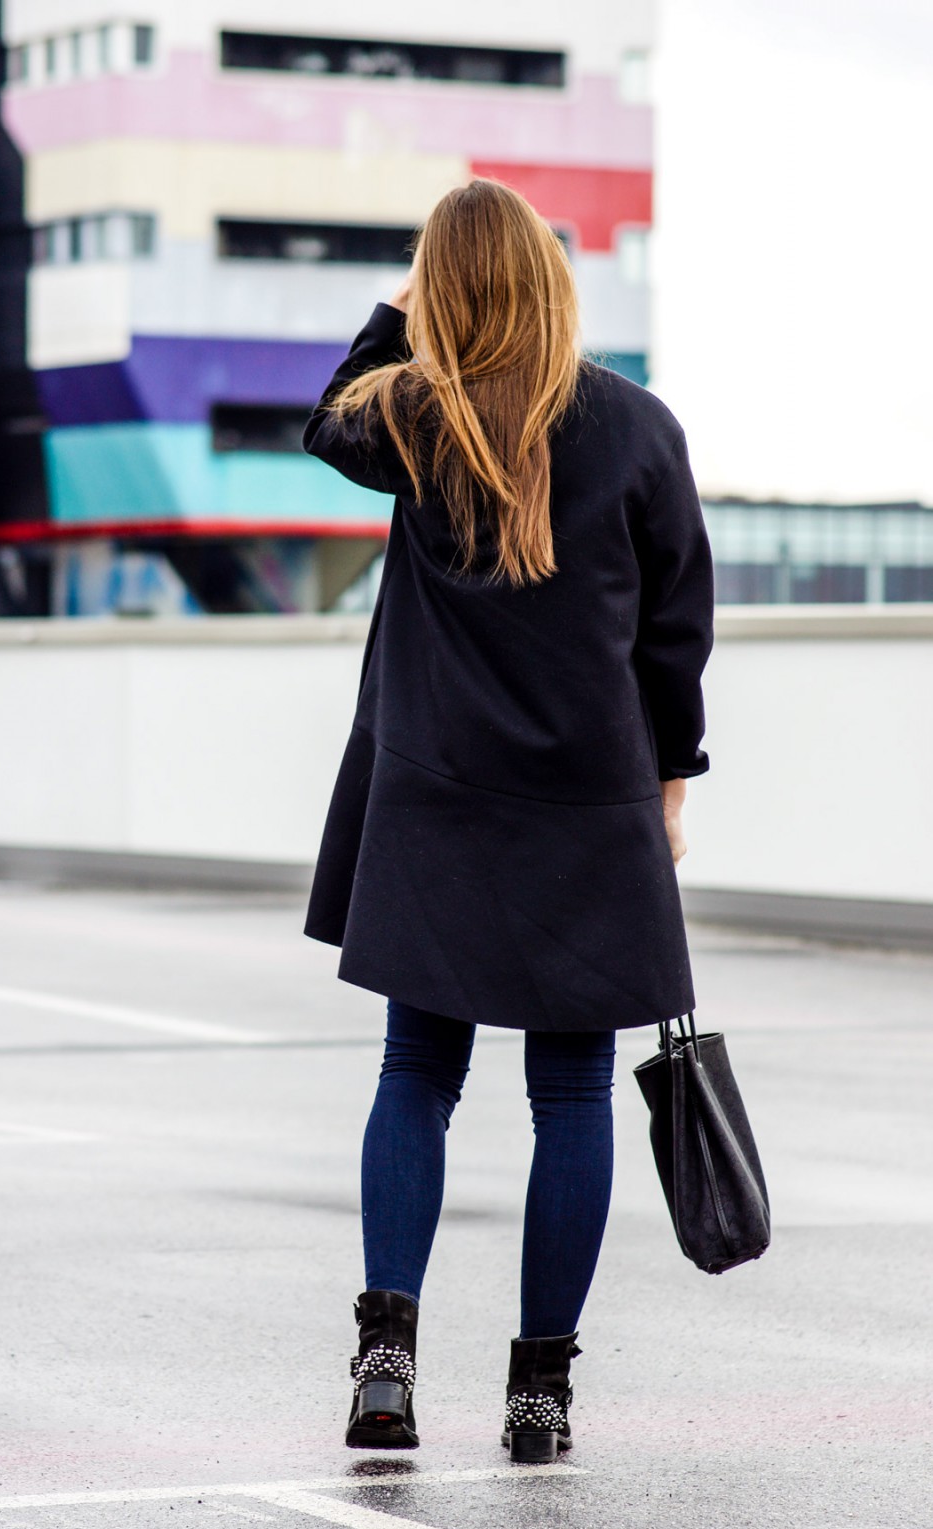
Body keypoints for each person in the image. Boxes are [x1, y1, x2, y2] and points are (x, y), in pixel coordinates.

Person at [301, 178, 714, 1464]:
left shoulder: (415, 419)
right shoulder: (638, 429)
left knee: (416, 1074)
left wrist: (399, 307)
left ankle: (385, 1371)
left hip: (434, 797)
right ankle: (539, 1397)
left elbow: (325, 418)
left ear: (445, 292)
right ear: (552, 284)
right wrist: (671, 787)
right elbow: (675, 634)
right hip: (589, 807)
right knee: (572, 1088)